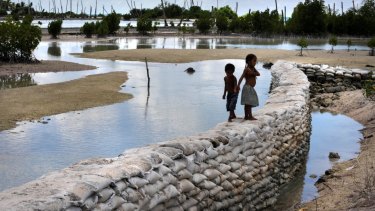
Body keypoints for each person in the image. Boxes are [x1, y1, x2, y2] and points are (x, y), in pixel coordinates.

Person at [237, 54, 260, 120]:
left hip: (250, 88)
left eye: (256, 61)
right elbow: (241, 77)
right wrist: (238, 85)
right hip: (247, 87)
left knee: (248, 102)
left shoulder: (252, 69)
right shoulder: (247, 69)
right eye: (254, 61)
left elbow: (258, 74)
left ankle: (247, 116)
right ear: (249, 62)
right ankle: (249, 116)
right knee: (248, 103)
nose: (255, 63)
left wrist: (254, 69)